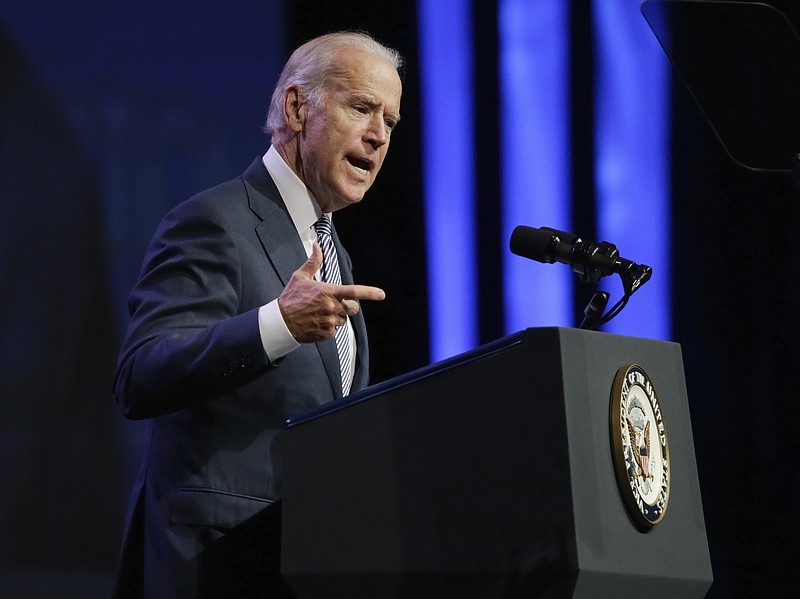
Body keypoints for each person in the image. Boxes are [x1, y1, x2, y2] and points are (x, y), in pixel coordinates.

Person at [112, 31, 403, 598]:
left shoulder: (332, 249)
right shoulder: (215, 221)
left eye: (391, 122)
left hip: (302, 562)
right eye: (361, 108)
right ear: (297, 108)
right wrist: (277, 325)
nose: (378, 136)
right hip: (215, 563)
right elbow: (139, 375)